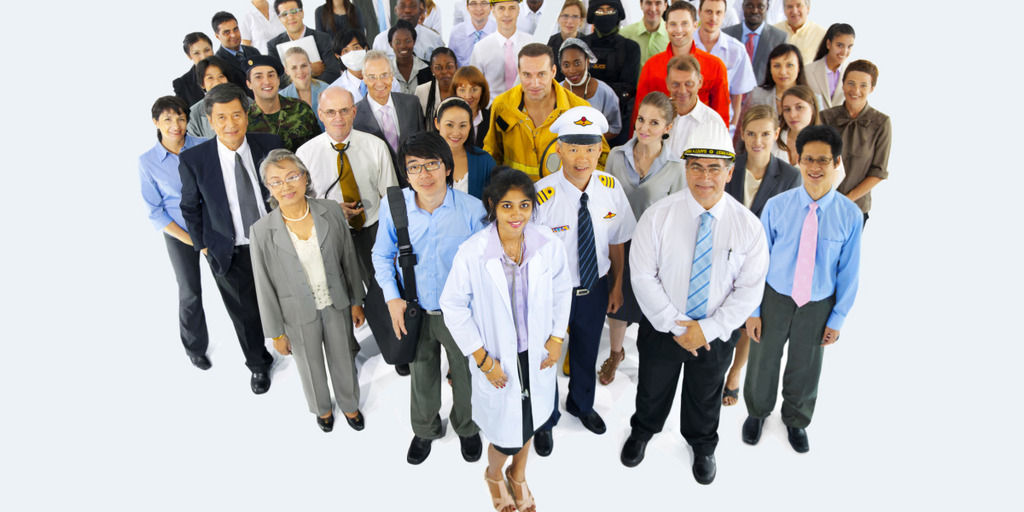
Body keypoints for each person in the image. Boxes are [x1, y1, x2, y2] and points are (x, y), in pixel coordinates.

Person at [620, 120, 769, 485]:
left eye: (714, 168)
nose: (704, 177)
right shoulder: (659, 216)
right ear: (685, 168)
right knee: (652, 388)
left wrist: (707, 329)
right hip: (662, 329)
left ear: (730, 171)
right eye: (696, 166)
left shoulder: (748, 226)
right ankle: (643, 431)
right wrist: (677, 325)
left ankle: (702, 445)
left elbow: (749, 290)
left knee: (705, 394)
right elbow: (641, 276)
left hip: (715, 335)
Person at [440, 167, 572, 512]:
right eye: (508, 206)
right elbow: (452, 305)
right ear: (492, 206)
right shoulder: (473, 252)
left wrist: (558, 337)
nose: (517, 215)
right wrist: (483, 360)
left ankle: (519, 475)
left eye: (525, 206)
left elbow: (562, 290)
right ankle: (495, 474)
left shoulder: (547, 244)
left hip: (537, 352)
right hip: (497, 357)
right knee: (503, 433)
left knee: (530, 418)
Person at [741, 124, 862, 454]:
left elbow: (850, 271)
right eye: (808, 159)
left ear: (836, 163)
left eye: (823, 160)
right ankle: (757, 412)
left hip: (818, 302)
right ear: (798, 160)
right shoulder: (777, 206)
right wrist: (753, 310)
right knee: (763, 358)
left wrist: (837, 318)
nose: (814, 167)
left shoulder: (849, 215)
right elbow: (757, 263)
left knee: (806, 365)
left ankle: (796, 419)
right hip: (776, 295)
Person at [372, 131, 486, 465]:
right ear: (406, 174)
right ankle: (425, 429)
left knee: (465, 372)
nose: (425, 174)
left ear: (447, 167)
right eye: (414, 167)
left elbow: (484, 265)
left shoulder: (472, 210)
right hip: (415, 309)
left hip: (460, 312)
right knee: (422, 371)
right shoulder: (395, 207)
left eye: (432, 164)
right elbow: (381, 256)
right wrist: (393, 298)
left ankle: (467, 427)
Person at [531, 106, 637, 455]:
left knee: (588, 350)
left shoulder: (610, 188)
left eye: (590, 148)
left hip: (595, 287)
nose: (582, 157)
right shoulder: (541, 195)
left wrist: (618, 284)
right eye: (574, 148)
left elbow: (617, 239)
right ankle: (545, 418)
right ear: (558, 149)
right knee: (547, 356)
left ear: (600, 150)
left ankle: (581, 403)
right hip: (553, 293)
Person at [250, 149, 367, 432]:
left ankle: (350, 405)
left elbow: (348, 258)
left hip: (336, 302)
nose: (286, 185)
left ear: (305, 178)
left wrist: (356, 300)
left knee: (343, 357)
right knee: (310, 366)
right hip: (296, 313)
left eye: (292, 176)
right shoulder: (261, 230)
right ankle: (322, 409)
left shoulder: (330, 211)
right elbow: (263, 285)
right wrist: (276, 333)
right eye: (276, 181)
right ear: (268, 188)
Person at [178, 83, 284, 394]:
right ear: (210, 121)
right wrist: (205, 246)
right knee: (244, 313)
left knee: (288, 300)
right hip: (229, 250)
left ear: (247, 115)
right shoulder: (195, 159)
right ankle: (258, 364)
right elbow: (190, 206)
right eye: (221, 118)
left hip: (276, 243)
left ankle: (301, 348)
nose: (230, 124)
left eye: (236, 115)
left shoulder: (270, 144)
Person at [297, 86, 405, 377]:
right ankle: (348, 353)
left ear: (354, 111)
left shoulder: (374, 146)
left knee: (383, 288)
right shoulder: (305, 154)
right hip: (330, 234)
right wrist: (333, 213)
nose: (338, 118)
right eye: (330, 112)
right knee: (339, 297)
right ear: (321, 115)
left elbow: (391, 196)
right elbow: (301, 205)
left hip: (372, 230)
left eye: (345, 110)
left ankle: (395, 347)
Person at [599, 91, 686, 385]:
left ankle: (650, 359)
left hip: (654, 249)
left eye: (653, 123)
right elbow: (606, 199)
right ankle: (615, 352)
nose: (643, 128)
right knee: (616, 303)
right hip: (618, 243)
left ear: (668, 128)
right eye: (640, 119)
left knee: (651, 306)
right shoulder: (616, 155)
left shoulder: (676, 168)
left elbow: (677, 217)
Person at [719, 103, 800, 406]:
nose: (757, 141)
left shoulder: (790, 175)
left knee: (749, 323)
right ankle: (716, 368)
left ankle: (735, 373)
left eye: (766, 134)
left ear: (777, 133)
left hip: (762, 260)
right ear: (742, 132)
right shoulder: (730, 165)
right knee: (722, 315)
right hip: (724, 254)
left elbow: (789, 227)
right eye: (751, 133)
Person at [139, 96, 211, 370]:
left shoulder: (204, 146)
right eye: (167, 119)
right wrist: (191, 240)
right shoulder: (148, 162)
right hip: (179, 232)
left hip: (213, 228)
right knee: (190, 290)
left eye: (180, 118)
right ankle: (195, 348)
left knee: (233, 284)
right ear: (156, 122)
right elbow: (155, 210)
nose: (176, 125)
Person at [485, 43, 609, 181]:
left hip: (561, 197)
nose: (534, 83)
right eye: (527, 75)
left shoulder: (579, 109)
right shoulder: (502, 105)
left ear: (553, 71)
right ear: (519, 72)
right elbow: (491, 155)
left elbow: (601, 158)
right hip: (515, 196)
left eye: (541, 74)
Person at [633, 1, 730, 131]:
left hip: (700, 139)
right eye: (673, 24)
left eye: (684, 24)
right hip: (659, 140)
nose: (678, 30)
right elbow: (639, 112)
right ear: (666, 26)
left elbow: (721, 115)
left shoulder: (715, 66)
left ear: (695, 25)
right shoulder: (651, 66)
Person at [819, 59, 891, 225]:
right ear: (842, 85)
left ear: (872, 88)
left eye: (864, 85)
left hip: (857, 207)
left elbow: (878, 172)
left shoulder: (881, 123)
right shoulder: (825, 117)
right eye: (850, 83)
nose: (856, 90)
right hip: (824, 204)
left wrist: (846, 200)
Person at [352, 50, 426, 171]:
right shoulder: (355, 116)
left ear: (392, 75)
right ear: (364, 78)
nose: (379, 83)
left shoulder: (412, 104)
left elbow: (423, 145)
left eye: (384, 75)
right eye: (372, 77)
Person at [582, 1, 642, 147]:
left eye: (610, 11)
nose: (605, 15)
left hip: (618, 124)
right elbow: (572, 85)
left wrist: (590, 89)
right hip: (583, 121)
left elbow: (627, 90)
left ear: (618, 14)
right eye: (600, 11)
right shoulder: (579, 45)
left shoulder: (630, 48)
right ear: (592, 14)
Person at [694, 0, 757, 129]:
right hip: (690, 120)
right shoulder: (685, 46)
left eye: (718, 13)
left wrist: (733, 124)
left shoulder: (736, 49)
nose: (713, 18)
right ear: (699, 12)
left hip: (722, 123)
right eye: (708, 11)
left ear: (724, 15)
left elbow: (738, 93)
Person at [244, 55, 321, 152]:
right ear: (249, 84)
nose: (267, 81)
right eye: (258, 77)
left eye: (271, 75)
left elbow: (319, 145)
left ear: (278, 80)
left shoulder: (301, 108)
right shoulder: (246, 121)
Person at [776, 85, 842, 190]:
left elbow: (827, 190)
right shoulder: (773, 140)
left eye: (799, 107)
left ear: (813, 109)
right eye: (787, 109)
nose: (792, 115)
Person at [663, 55, 728, 159]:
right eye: (675, 84)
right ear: (667, 84)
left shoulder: (714, 123)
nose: (682, 91)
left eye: (689, 83)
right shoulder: (654, 115)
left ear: (700, 82)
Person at [559, 38, 622, 141]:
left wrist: (589, 141)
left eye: (577, 63)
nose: (572, 70)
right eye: (566, 65)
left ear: (587, 61)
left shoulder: (605, 92)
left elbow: (614, 128)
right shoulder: (555, 92)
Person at [434, 97, 497, 198]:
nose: (456, 133)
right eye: (449, 125)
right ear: (437, 123)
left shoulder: (485, 161)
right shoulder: (424, 160)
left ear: (470, 126)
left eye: (462, 125)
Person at [268, 0, 343, 84]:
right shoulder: (273, 45)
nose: (290, 17)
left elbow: (333, 72)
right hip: (291, 96)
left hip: (321, 92)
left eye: (294, 11)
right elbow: (276, 79)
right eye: (284, 14)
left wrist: (309, 86)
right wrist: (310, 70)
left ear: (302, 13)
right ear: (280, 19)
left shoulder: (323, 38)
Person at [471, 0, 532, 100]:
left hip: (526, 109)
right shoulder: (480, 48)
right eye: (501, 8)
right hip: (491, 110)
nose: (507, 14)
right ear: (493, 12)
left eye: (512, 8)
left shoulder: (531, 43)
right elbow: (474, 85)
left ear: (518, 11)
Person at [187, 56, 253, 142]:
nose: (217, 82)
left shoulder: (248, 102)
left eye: (221, 76)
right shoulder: (193, 114)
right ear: (202, 84)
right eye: (210, 78)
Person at [722, 0, 788, 86]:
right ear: (743, 6)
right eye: (750, 6)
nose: (754, 11)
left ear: (767, 7)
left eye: (760, 6)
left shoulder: (779, 38)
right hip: (729, 95)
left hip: (763, 96)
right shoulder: (726, 35)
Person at [743, 43, 808, 115]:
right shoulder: (756, 95)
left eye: (789, 65)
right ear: (770, 69)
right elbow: (742, 124)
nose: (783, 72)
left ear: (799, 68)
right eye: (777, 66)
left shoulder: (812, 98)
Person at [372, 0, 445, 62]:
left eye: (413, 6)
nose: (407, 10)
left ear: (420, 11)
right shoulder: (381, 40)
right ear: (395, 10)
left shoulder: (434, 39)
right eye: (402, 6)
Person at [330, 28, 388, 103]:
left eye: (356, 47)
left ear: (365, 48)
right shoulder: (334, 90)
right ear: (338, 56)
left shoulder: (388, 79)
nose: (352, 54)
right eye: (345, 51)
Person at [212, 11, 263, 95]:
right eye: (227, 32)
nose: (233, 35)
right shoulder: (217, 63)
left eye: (235, 29)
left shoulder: (253, 51)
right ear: (217, 36)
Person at [805, 23, 855, 109]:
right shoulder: (807, 71)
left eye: (849, 47)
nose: (844, 52)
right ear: (828, 44)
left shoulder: (855, 72)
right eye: (840, 45)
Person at [280, 47, 331, 130]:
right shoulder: (281, 98)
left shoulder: (326, 89)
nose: (300, 72)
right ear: (287, 71)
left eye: (303, 66)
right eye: (294, 68)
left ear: (310, 65)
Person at [773, 0, 825, 67]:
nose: (794, 11)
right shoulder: (773, 32)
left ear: (808, 8)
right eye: (790, 7)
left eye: (799, 5)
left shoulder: (821, 34)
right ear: (784, 10)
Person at [449, 0, 496, 70]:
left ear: (491, 7)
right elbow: (450, 64)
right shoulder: (456, 33)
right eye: (474, 3)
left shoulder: (499, 32)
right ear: (467, 7)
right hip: (463, 79)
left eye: (483, 3)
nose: (479, 8)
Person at [452, 65, 492, 148]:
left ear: (482, 91)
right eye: (462, 90)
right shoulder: (448, 120)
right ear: (455, 92)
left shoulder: (492, 118)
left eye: (474, 89)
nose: (468, 96)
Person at [389, 20, 433, 95]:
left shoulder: (428, 69)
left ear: (414, 41)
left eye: (408, 41)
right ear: (390, 44)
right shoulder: (386, 71)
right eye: (397, 42)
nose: (403, 46)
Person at [621, 0, 670, 66]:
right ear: (641, 5)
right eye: (648, 3)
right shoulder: (624, 34)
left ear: (665, 6)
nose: (653, 9)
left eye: (658, 3)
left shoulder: (673, 35)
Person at [416, 48, 458, 122]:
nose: (444, 71)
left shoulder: (463, 89)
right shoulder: (421, 91)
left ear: (456, 67)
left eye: (449, 67)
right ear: (432, 69)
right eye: (438, 68)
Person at [173, 32, 215, 107]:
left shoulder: (228, 70)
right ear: (189, 56)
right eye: (196, 53)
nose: (203, 57)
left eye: (207, 50)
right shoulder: (182, 84)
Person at [546, 0, 586, 70]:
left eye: (575, 16)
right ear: (558, 18)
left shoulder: (587, 43)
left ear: (581, 21)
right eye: (565, 16)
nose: (570, 21)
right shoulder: (548, 44)